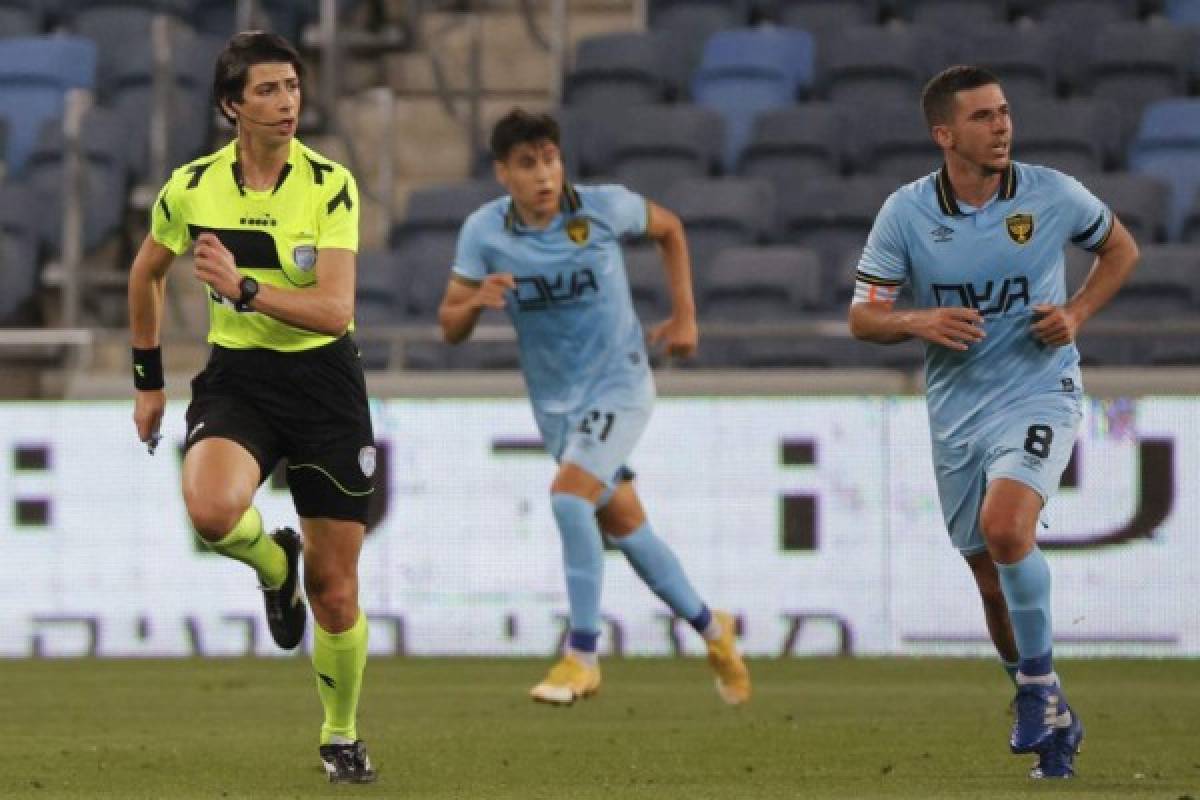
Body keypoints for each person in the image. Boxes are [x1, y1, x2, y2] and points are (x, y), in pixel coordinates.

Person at [849, 65, 1139, 779]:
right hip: (957, 409)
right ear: (944, 134)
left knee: (1008, 527)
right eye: (982, 116)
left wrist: (1076, 312)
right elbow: (863, 317)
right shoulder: (906, 213)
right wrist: (919, 321)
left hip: (1040, 389)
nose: (1002, 125)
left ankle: (1036, 691)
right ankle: (1054, 717)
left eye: (1004, 111)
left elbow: (1121, 249)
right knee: (988, 577)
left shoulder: (1052, 193)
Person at [127, 31, 376, 784]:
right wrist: (147, 380)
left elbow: (334, 310)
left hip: (325, 385)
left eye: (292, 87)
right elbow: (146, 274)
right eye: (267, 90)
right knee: (210, 512)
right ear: (231, 104)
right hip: (240, 378)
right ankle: (274, 564)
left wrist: (243, 288)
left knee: (335, 591)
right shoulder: (193, 187)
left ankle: (341, 735)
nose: (286, 102)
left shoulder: (330, 184)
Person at [439, 109, 751, 706]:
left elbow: (670, 228)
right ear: (503, 173)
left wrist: (685, 317)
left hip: (620, 384)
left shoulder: (604, 207)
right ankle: (715, 629)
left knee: (567, 497)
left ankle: (582, 655)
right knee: (627, 529)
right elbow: (449, 325)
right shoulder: (484, 232)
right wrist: (476, 301)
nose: (543, 175)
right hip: (556, 406)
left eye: (550, 159)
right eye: (527, 164)